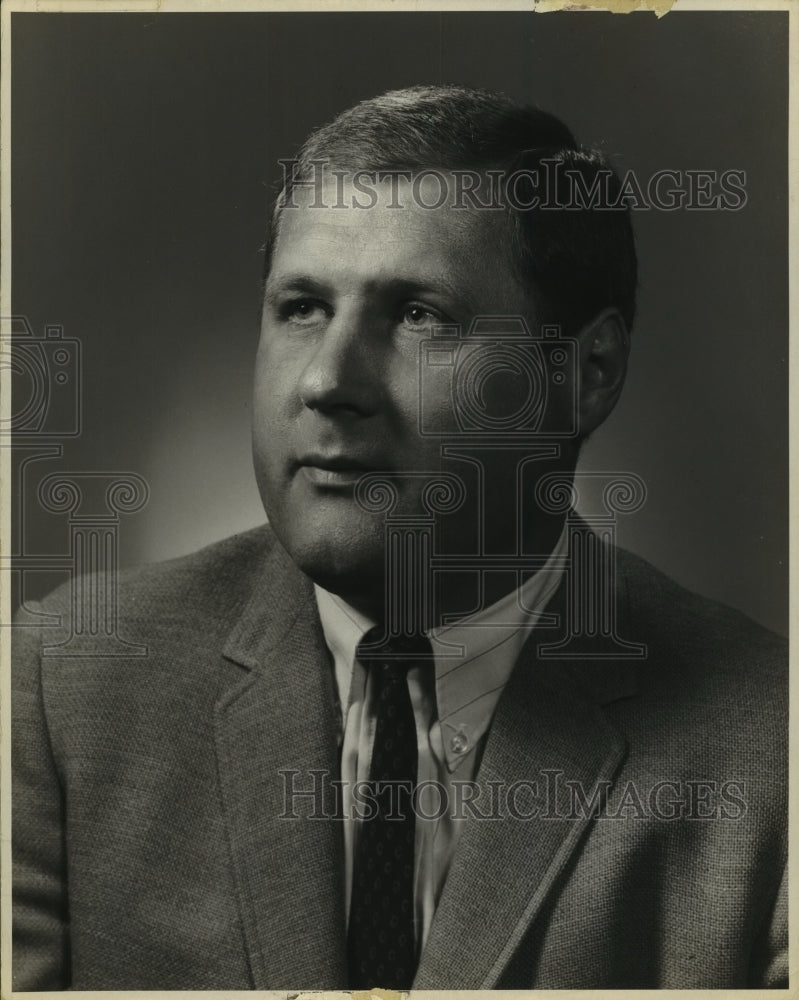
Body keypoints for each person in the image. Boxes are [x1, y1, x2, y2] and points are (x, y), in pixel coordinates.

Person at [12, 85, 787, 990]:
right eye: (301, 306)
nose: (329, 381)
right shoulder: (60, 689)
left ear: (586, 373)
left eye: (420, 316)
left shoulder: (770, 752)